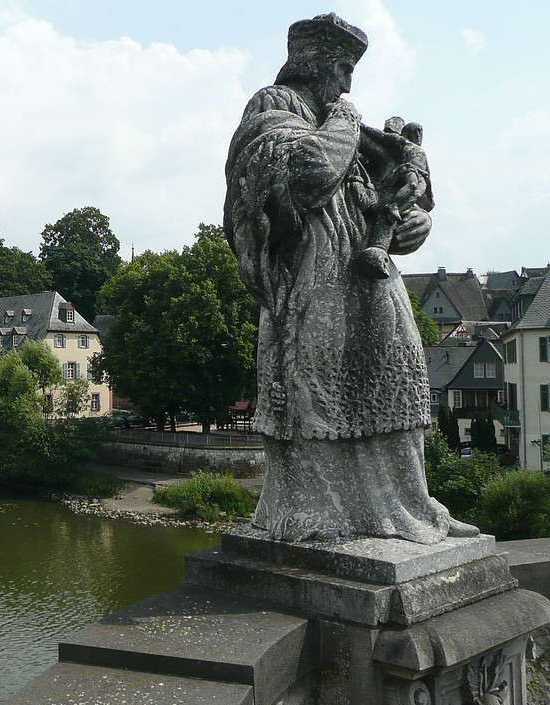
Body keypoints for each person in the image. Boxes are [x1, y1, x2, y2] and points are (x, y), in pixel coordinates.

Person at [223, 13, 477, 544]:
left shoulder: (343, 123)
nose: (347, 83)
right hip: (313, 286)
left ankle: (411, 504)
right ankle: (321, 513)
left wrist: (416, 223)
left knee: (401, 376)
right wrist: (346, 120)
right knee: (320, 395)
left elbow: (385, 190)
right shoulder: (273, 107)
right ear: (313, 65)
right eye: (341, 69)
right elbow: (310, 172)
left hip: (369, 279)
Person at [352, 117, 434, 279]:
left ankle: (379, 248)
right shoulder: (399, 145)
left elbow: (423, 194)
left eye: (420, 132)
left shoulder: (416, 151)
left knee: (406, 196)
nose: (418, 136)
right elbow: (378, 137)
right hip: (392, 184)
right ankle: (378, 248)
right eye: (414, 132)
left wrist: (421, 218)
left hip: (410, 178)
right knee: (391, 206)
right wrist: (356, 123)